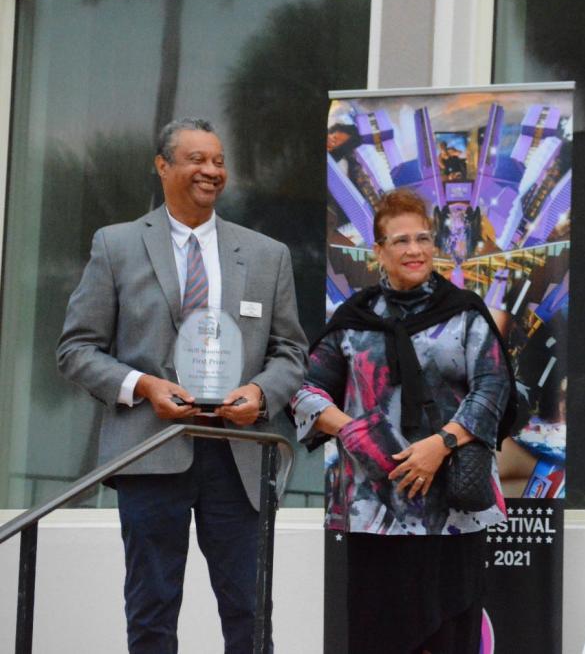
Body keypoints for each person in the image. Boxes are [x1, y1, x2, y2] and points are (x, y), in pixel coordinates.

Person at [56, 118, 308, 654]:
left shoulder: (267, 254)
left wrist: (261, 394)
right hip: (151, 450)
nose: (211, 171)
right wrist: (143, 385)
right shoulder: (117, 246)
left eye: (218, 161)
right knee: (152, 610)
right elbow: (76, 350)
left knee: (250, 610)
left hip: (238, 455)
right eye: (197, 159)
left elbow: (291, 352)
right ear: (163, 166)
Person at [292, 188, 514, 654]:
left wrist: (441, 444)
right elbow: (306, 390)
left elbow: (493, 386)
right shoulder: (353, 320)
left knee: (452, 636)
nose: (414, 250)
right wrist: (348, 427)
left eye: (422, 239)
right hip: (377, 511)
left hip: (452, 509)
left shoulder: (465, 314)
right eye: (400, 241)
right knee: (381, 637)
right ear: (379, 251)